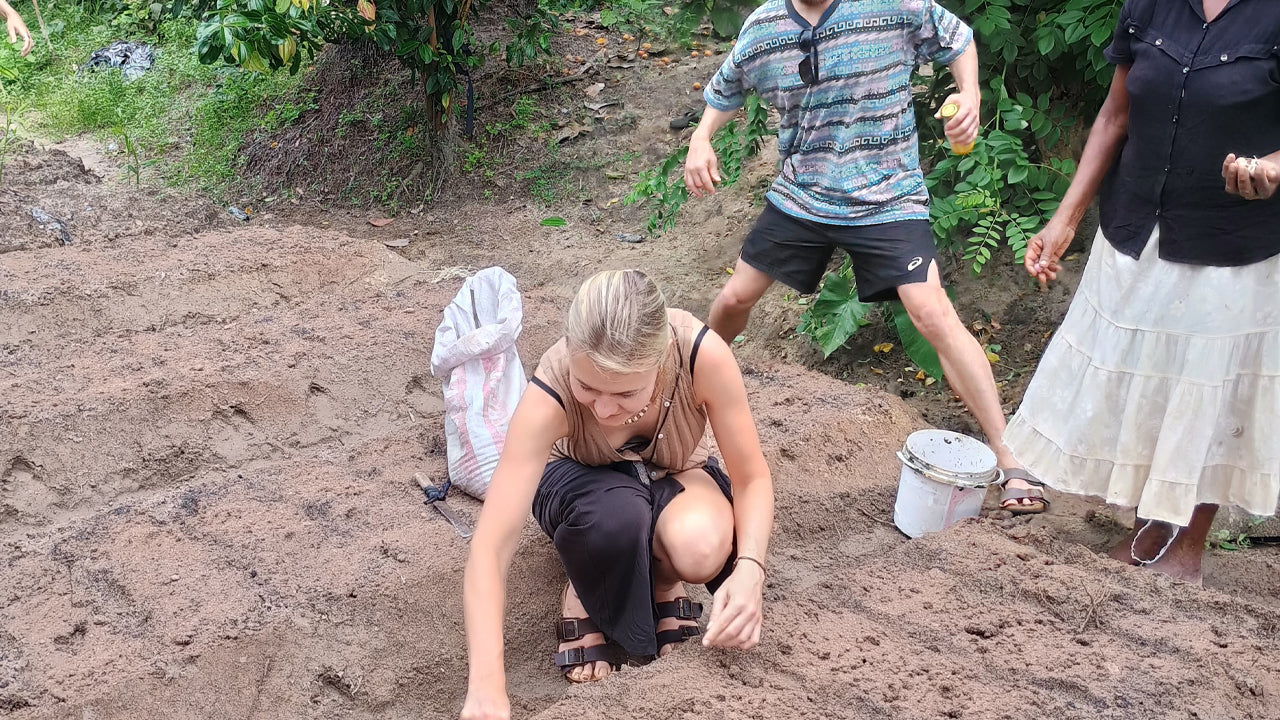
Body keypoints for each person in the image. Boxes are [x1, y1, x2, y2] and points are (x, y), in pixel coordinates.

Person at [682, 0, 1047, 513]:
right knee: (736, 296)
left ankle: (1009, 459)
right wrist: (700, 140)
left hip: (888, 195)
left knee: (931, 311)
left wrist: (970, 95)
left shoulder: (894, 5)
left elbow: (958, 37)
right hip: (803, 192)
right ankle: (681, 398)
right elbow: (725, 87)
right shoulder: (763, 27)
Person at [1004, 0, 1280, 584]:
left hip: (1231, 242)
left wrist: (1274, 166)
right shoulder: (1151, 4)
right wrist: (1065, 219)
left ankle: (1185, 549)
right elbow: (1114, 116)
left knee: (1206, 388)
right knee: (1147, 380)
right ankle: (1149, 527)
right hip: (1138, 225)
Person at [460, 270, 775, 720]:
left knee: (702, 546)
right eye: (587, 387)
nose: (604, 410)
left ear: (662, 360)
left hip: (674, 468)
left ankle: (663, 580)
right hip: (578, 477)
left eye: (626, 392)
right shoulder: (547, 395)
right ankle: (586, 586)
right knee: (617, 517)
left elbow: (752, 479)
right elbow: (491, 547)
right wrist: (487, 687)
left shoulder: (702, 356)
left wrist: (750, 571)